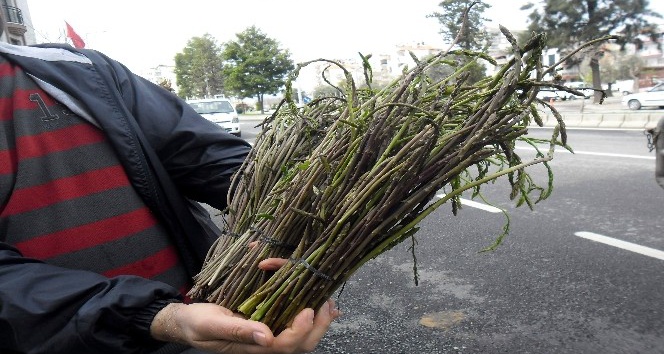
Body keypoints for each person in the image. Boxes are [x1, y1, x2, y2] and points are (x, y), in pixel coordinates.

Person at [0, 16, 338, 354]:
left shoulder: (78, 72)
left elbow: (205, 155)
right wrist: (156, 317)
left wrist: (295, 216)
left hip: (205, 322)